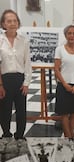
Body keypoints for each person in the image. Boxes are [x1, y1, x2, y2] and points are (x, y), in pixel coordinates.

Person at [0, 9, 32, 139]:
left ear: (18, 23)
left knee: (21, 110)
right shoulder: (0, 40)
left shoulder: (23, 41)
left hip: (20, 79)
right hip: (4, 80)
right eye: (9, 21)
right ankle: (6, 134)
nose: (12, 23)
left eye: (15, 21)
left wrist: (26, 83)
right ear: (3, 24)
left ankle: (20, 135)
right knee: (4, 110)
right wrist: (0, 84)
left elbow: (27, 63)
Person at [54, 24, 74, 138]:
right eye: (69, 33)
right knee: (64, 113)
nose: (72, 35)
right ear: (66, 35)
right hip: (63, 85)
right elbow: (56, 69)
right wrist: (65, 84)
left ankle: (72, 133)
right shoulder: (59, 50)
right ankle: (68, 135)